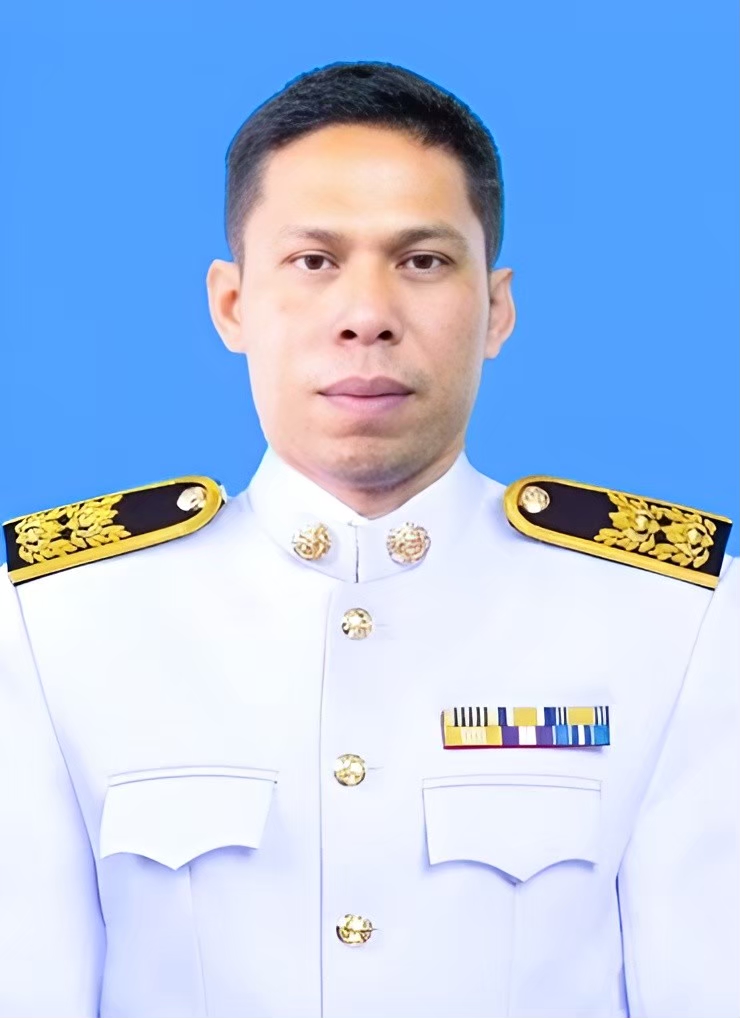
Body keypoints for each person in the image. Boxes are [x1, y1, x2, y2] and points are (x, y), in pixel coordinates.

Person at [0, 59, 737, 1018]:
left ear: (497, 309)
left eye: (422, 261)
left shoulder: (678, 618)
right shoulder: (51, 620)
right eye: (314, 262)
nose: (367, 318)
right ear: (231, 305)